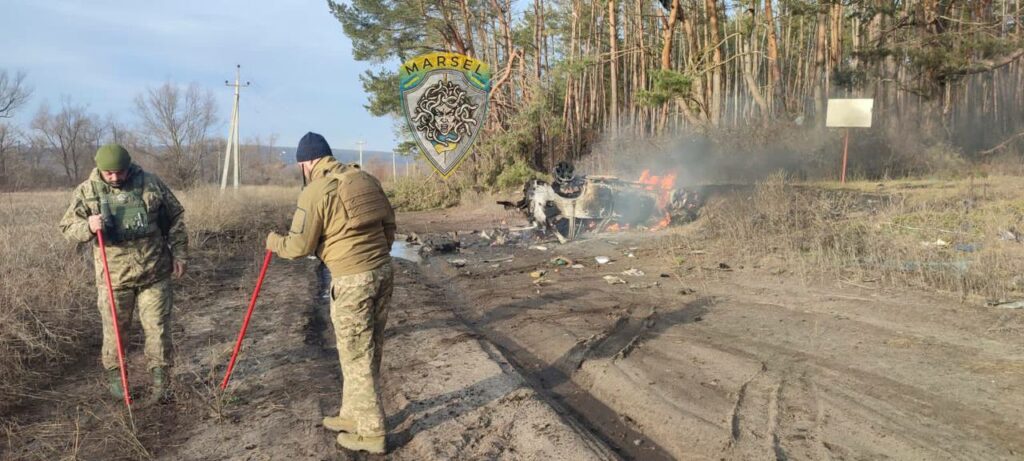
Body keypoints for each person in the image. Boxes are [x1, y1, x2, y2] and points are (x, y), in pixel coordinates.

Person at [266, 132, 396, 454]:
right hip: (383, 272)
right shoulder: (363, 178)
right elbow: (390, 225)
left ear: (307, 163)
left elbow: (299, 247)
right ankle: (352, 415)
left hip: (353, 280)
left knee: (355, 354)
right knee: (368, 349)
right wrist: (373, 257)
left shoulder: (315, 191)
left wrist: (273, 242)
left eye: (300, 165)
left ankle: (372, 432)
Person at [59, 143, 188, 404]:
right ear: (100, 170)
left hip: (154, 272)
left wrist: (180, 253)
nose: (115, 177)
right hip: (114, 278)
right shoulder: (87, 191)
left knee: (158, 328)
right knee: (115, 330)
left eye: (120, 172)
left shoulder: (151, 184)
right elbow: (67, 227)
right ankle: (118, 378)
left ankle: (161, 378)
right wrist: (87, 226)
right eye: (109, 173)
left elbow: (176, 218)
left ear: (128, 167)